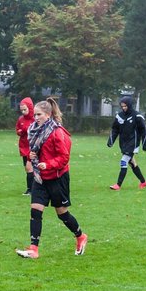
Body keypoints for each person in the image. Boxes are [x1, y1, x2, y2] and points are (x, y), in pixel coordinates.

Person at [17, 97, 88, 259]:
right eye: (34, 115)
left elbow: (64, 157)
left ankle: (80, 236)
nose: (35, 118)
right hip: (40, 177)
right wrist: (33, 156)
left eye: (39, 115)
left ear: (48, 115)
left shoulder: (57, 132)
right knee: (35, 210)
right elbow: (35, 150)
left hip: (57, 177)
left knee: (62, 213)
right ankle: (34, 249)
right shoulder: (34, 130)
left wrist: (48, 164)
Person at [106, 94, 146, 190]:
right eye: (122, 106)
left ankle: (118, 185)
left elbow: (144, 130)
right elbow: (114, 129)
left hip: (133, 143)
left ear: (129, 105)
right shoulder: (119, 116)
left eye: (125, 106)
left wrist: (145, 143)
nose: (124, 108)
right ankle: (143, 181)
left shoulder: (137, 116)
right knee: (132, 163)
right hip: (123, 144)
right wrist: (111, 140)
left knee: (123, 161)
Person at [16, 96, 35, 195]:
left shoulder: (35, 119)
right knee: (27, 168)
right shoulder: (21, 119)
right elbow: (18, 130)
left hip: (33, 147)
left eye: (25, 109)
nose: (23, 112)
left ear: (30, 108)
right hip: (24, 147)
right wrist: (21, 131)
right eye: (21, 110)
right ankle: (30, 188)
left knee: (30, 167)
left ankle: (31, 189)